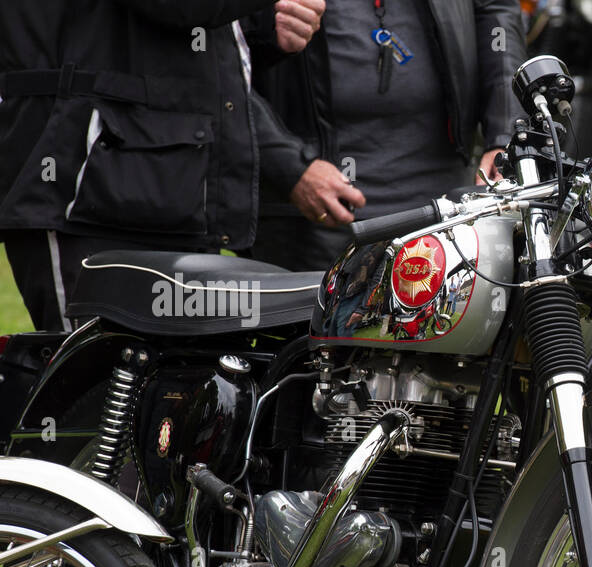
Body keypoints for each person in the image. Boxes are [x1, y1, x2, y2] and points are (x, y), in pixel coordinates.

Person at [0, 1, 333, 332]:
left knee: (190, 380)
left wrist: (265, 30)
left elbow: (177, 40)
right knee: (88, 378)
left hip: (173, 193)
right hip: (81, 194)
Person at [241, 0, 527, 271]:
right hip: (311, 219)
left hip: (449, 211)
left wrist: (504, 136)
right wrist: (292, 169)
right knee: (313, 322)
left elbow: (495, 12)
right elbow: (216, 68)